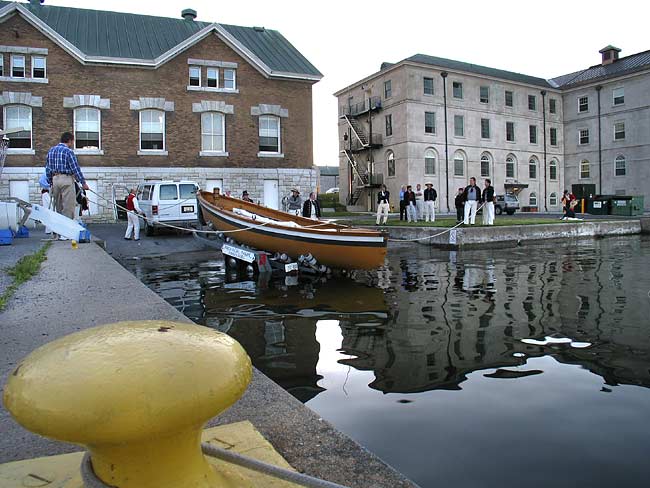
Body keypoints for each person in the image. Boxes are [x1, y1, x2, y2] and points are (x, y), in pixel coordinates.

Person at [45, 132, 89, 227]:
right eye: (72, 141)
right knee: (68, 207)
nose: (72, 144)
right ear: (69, 140)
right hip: (66, 179)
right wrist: (83, 183)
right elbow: (75, 168)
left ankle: (59, 229)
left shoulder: (51, 151)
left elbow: (47, 169)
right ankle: (66, 230)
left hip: (55, 179)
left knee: (58, 206)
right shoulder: (68, 151)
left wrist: (50, 181)